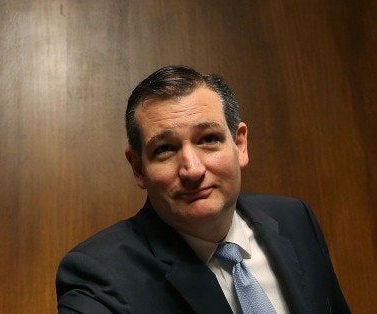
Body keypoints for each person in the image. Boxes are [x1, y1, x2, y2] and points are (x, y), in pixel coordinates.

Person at [55, 65, 349, 313]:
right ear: (138, 168)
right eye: (165, 149)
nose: (192, 169)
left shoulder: (295, 218)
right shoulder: (98, 275)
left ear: (240, 145)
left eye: (208, 139)